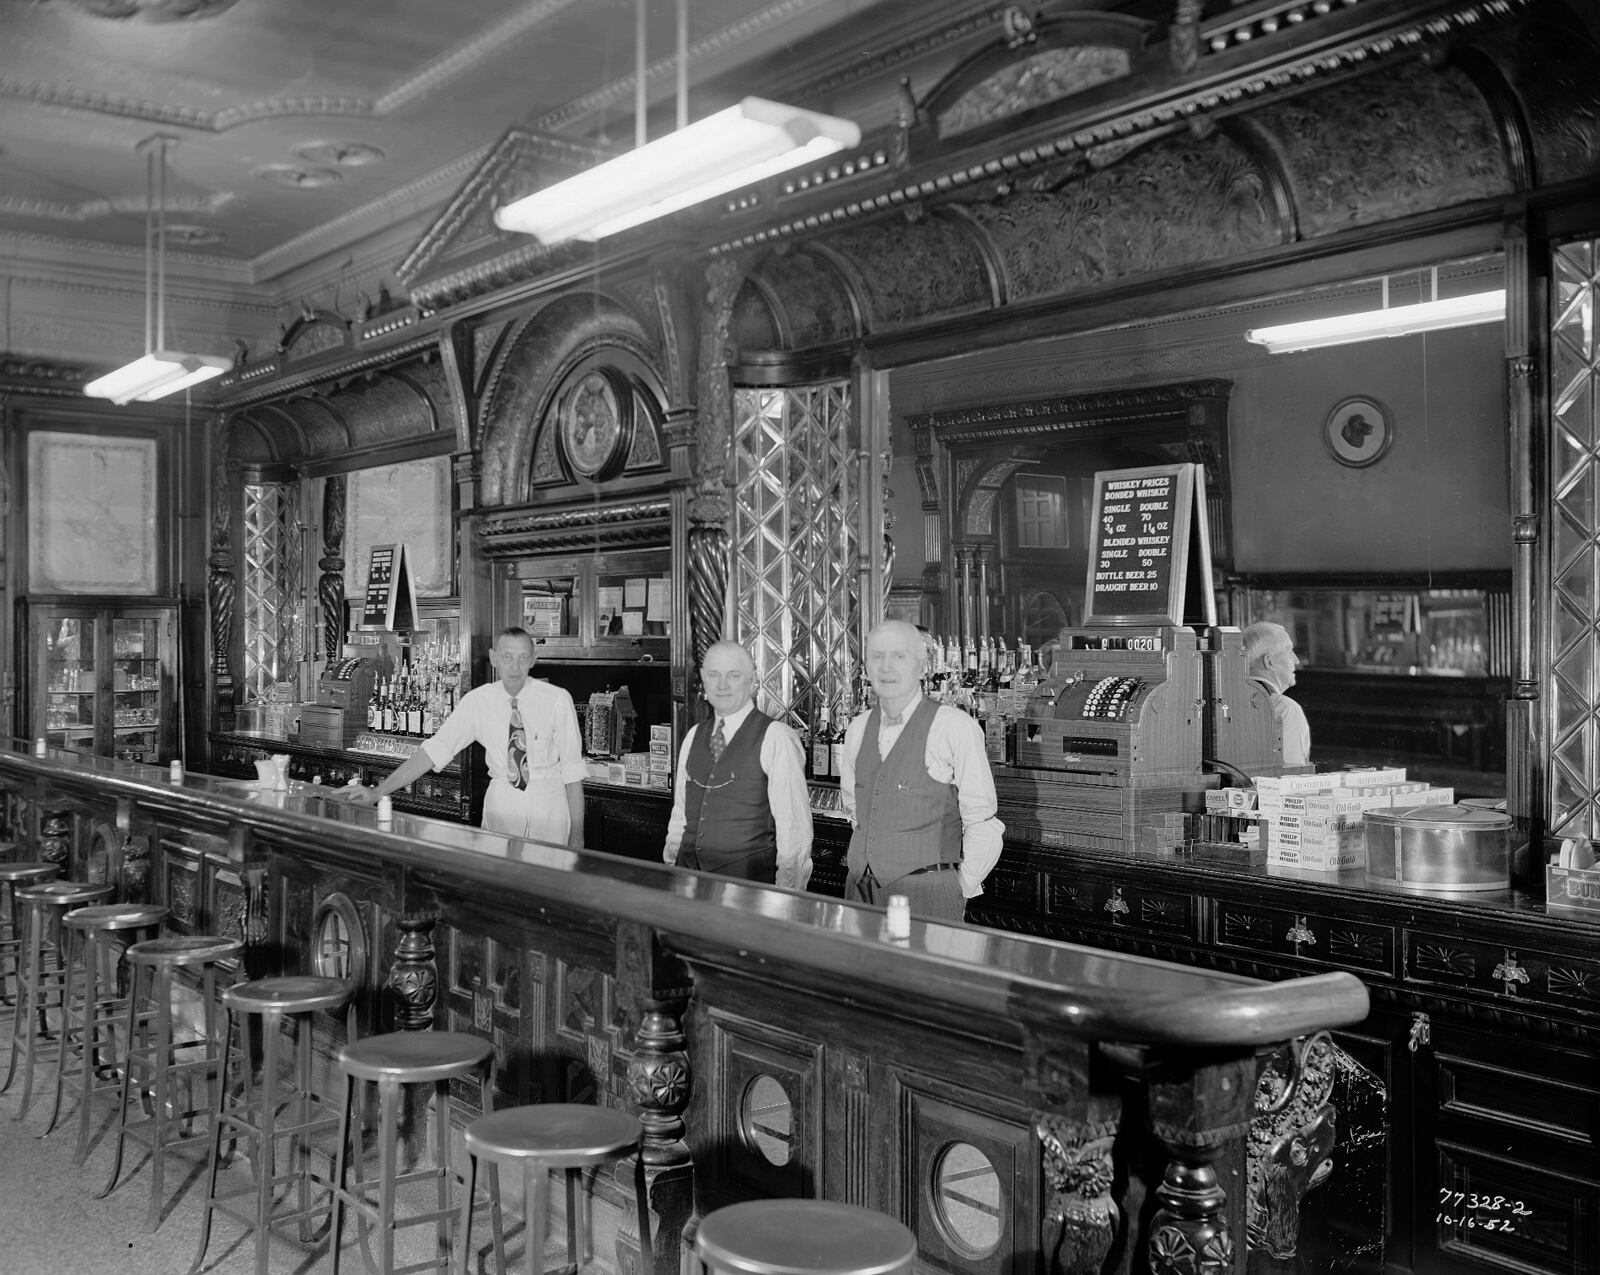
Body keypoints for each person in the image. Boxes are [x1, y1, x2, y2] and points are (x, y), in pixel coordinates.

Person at [340, 627, 586, 847]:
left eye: (523, 658)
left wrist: (577, 837)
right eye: (507, 657)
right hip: (502, 810)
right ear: (493, 659)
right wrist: (379, 791)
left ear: (533, 659)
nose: (515, 667)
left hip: (550, 814)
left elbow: (573, 773)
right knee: (498, 889)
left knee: (547, 893)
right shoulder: (478, 701)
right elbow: (434, 750)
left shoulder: (557, 699)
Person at [838, 620, 1004, 921]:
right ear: (865, 666)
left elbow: (983, 822)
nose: (886, 667)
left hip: (925, 894)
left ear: (922, 665)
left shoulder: (954, 727)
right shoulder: (857, 729)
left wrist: (955, 888)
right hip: (859, 892)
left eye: (899, 656)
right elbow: (856, 811)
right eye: (877, 656)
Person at [663, 641, 813, 889]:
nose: (722, 685)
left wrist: (787, 900)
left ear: (752, 680)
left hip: (748, 890)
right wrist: (672, 867)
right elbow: (680, 814)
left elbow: (794, 832)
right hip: (688, 884)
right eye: (713, 675)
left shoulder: (777, 737)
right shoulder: (693, 736)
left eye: (733, 675)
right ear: (703, 679)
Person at [1243, 620, 1311, 767]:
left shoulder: (1230, 702)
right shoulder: (1285, 709)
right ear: (1269, 662)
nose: (1296, 660)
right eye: (1289, 651)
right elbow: (1292, 778)